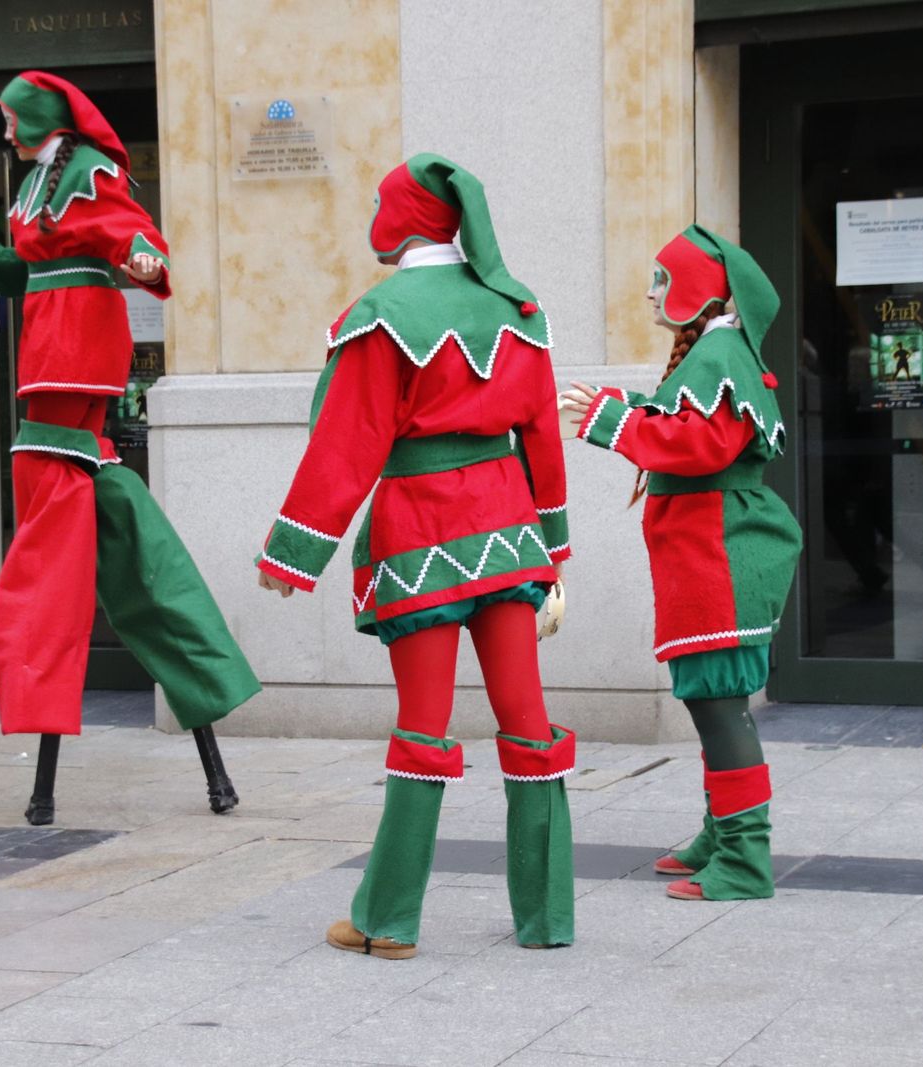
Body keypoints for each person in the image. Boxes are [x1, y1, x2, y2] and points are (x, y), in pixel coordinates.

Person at [256, 153, 575, 957]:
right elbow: (541, 434)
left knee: (423, 728)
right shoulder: (518, 308)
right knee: (528, 726)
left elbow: (347, 441)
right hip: (510, 536)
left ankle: (387, 920)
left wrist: (293, 551)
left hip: (423, 536)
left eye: (379, 202)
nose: (373, 212)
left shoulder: (380, 312)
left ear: (405, 216)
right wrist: (555, 551)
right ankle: (547, 918)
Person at [0, 70, 259, 821]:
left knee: (51, 495)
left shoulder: (88, 171)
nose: (4, 133)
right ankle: (203, 731)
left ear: (33, 120)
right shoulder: (34, 187)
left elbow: (129, 234)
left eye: (8, 120)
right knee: (80, 491)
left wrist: (146, 260)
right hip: (47, 343)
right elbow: (37, 265)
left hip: (80, 341)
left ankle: (50, 760)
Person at [561, 224, 802, 901]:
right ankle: (722, 832)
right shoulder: (721, 351)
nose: (649, 292)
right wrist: (621, 410)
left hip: (718, 557)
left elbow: (700, 446)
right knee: (711, 703)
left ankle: (745, 858)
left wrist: (612, 423)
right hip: (706, 555)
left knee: (722, 707)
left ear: (701, 289)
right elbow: (682, 418)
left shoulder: (720, 349)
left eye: (662, 281)